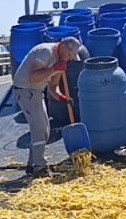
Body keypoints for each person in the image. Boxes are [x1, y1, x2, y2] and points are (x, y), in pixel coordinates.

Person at [12, 37, 83, 178]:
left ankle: (33, 164)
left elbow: (52, 87)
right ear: (63, 47)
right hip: (25, 89)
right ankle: (39, 167)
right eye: (69, 55)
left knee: (43, 129)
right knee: (40, 128)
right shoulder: (46, 52)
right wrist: (54, 69)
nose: (69, 59)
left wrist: (63, 98)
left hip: (36, 91)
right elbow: (33, 77)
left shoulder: (61, 61)